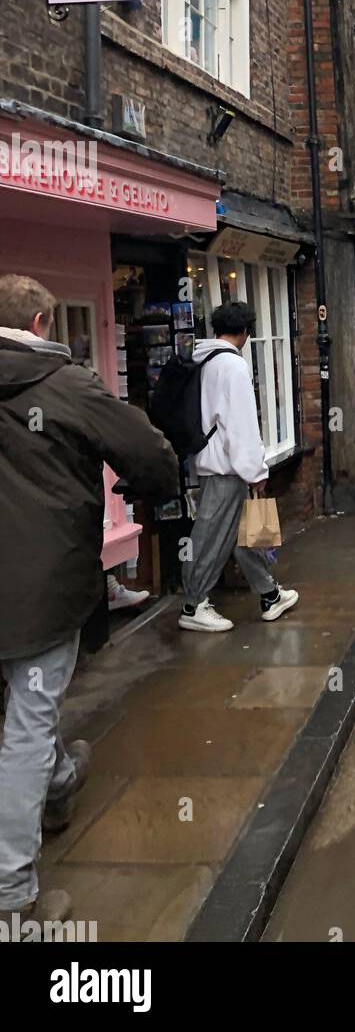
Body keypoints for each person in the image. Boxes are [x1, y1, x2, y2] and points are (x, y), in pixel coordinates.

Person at [0, 273, 179, 925]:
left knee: (22, 722)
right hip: (42, 583)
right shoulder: (62, 382)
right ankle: (12, 897)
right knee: (28, 723)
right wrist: (152, 490)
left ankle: (57, 784)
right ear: (43, 325)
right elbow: (148, 451)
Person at [180, 301, 299, 632]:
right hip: (224, 468)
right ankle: (194, 604)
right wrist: (257, 471)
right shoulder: (232, 366)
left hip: (211, 461)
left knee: (240, 533)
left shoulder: (202, 359)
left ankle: (270, 594)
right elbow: (242, 425)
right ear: (246, 332)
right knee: (211, 536)